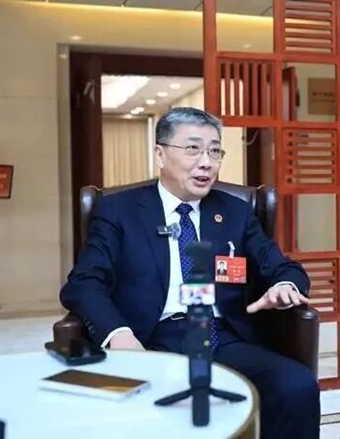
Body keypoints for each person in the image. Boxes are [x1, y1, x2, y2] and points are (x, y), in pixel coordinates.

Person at [60, 107, 320, 439]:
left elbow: (284, 267)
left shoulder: (236, 212)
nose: (206, 162)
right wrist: (120, 335)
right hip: (152, 339)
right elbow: (84, 283)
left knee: (297, 385)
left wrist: (284, 285)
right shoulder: (118, 211)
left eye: (215, 151)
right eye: (193, 149)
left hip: (223, 337)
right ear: (160, 154)